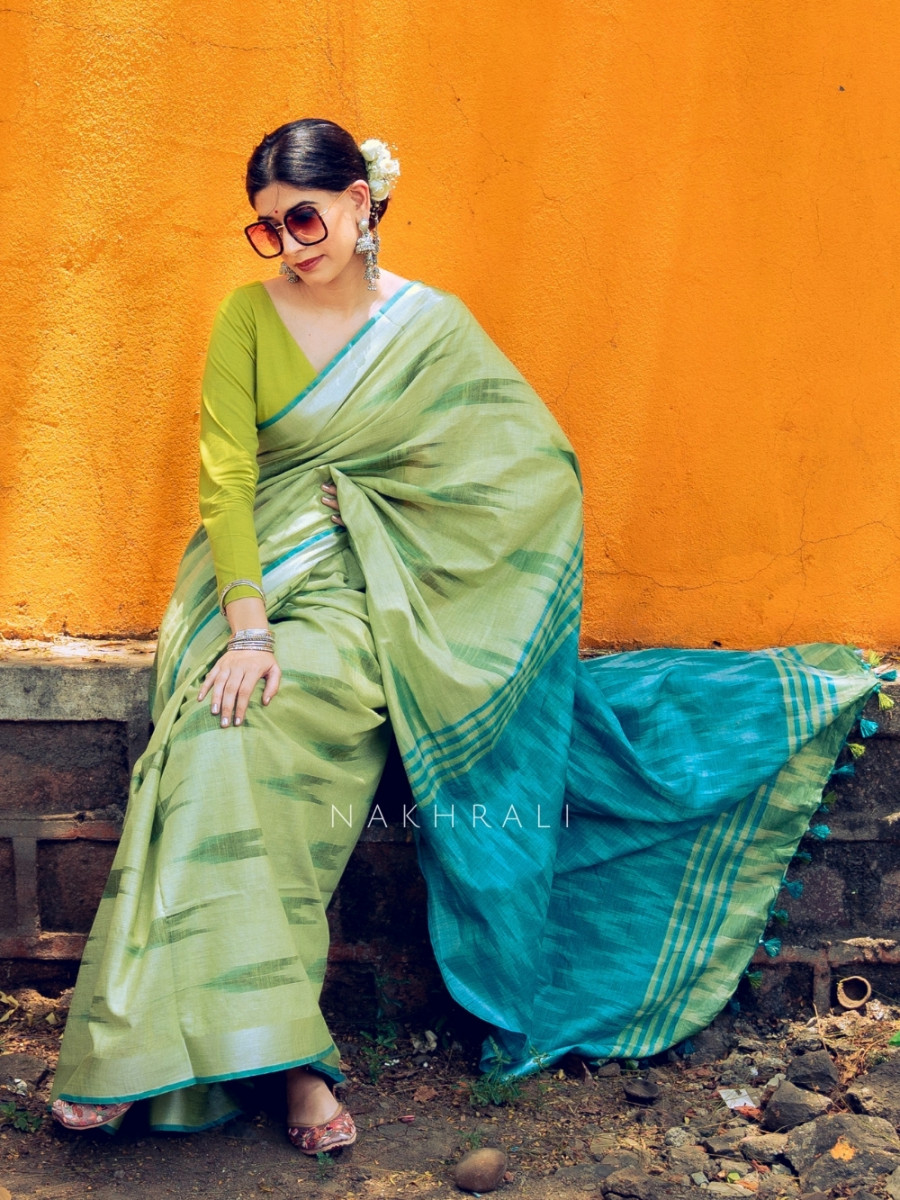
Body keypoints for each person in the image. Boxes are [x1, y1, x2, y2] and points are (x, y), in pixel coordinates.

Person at [50, 117, 879, 1153]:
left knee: (258, 741)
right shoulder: (246, 320)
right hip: (254, 589)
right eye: (266, 230)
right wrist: (249, 633)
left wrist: (395, 531)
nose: (289, 245)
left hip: (377, 601)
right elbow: (225, 479)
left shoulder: (433, 331)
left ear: (360, 202)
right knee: (217, 740)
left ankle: (283, 1063)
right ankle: (203, 1054)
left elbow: (532, 475)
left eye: (303, 218)